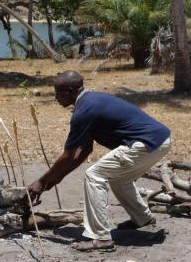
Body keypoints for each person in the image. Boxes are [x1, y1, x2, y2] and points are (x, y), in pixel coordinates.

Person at [28, 70, 171, 251]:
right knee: (119, 179)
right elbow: (85, 150)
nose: (56, 98)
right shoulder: (90, 103)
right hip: (160, 141)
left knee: (94, 175)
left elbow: (68, 155)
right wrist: (56, 177)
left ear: (71, 91)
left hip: (144, 144)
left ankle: (101, 238)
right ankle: (142, 218)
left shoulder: (84, 111)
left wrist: (42, 181)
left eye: (58, 93)